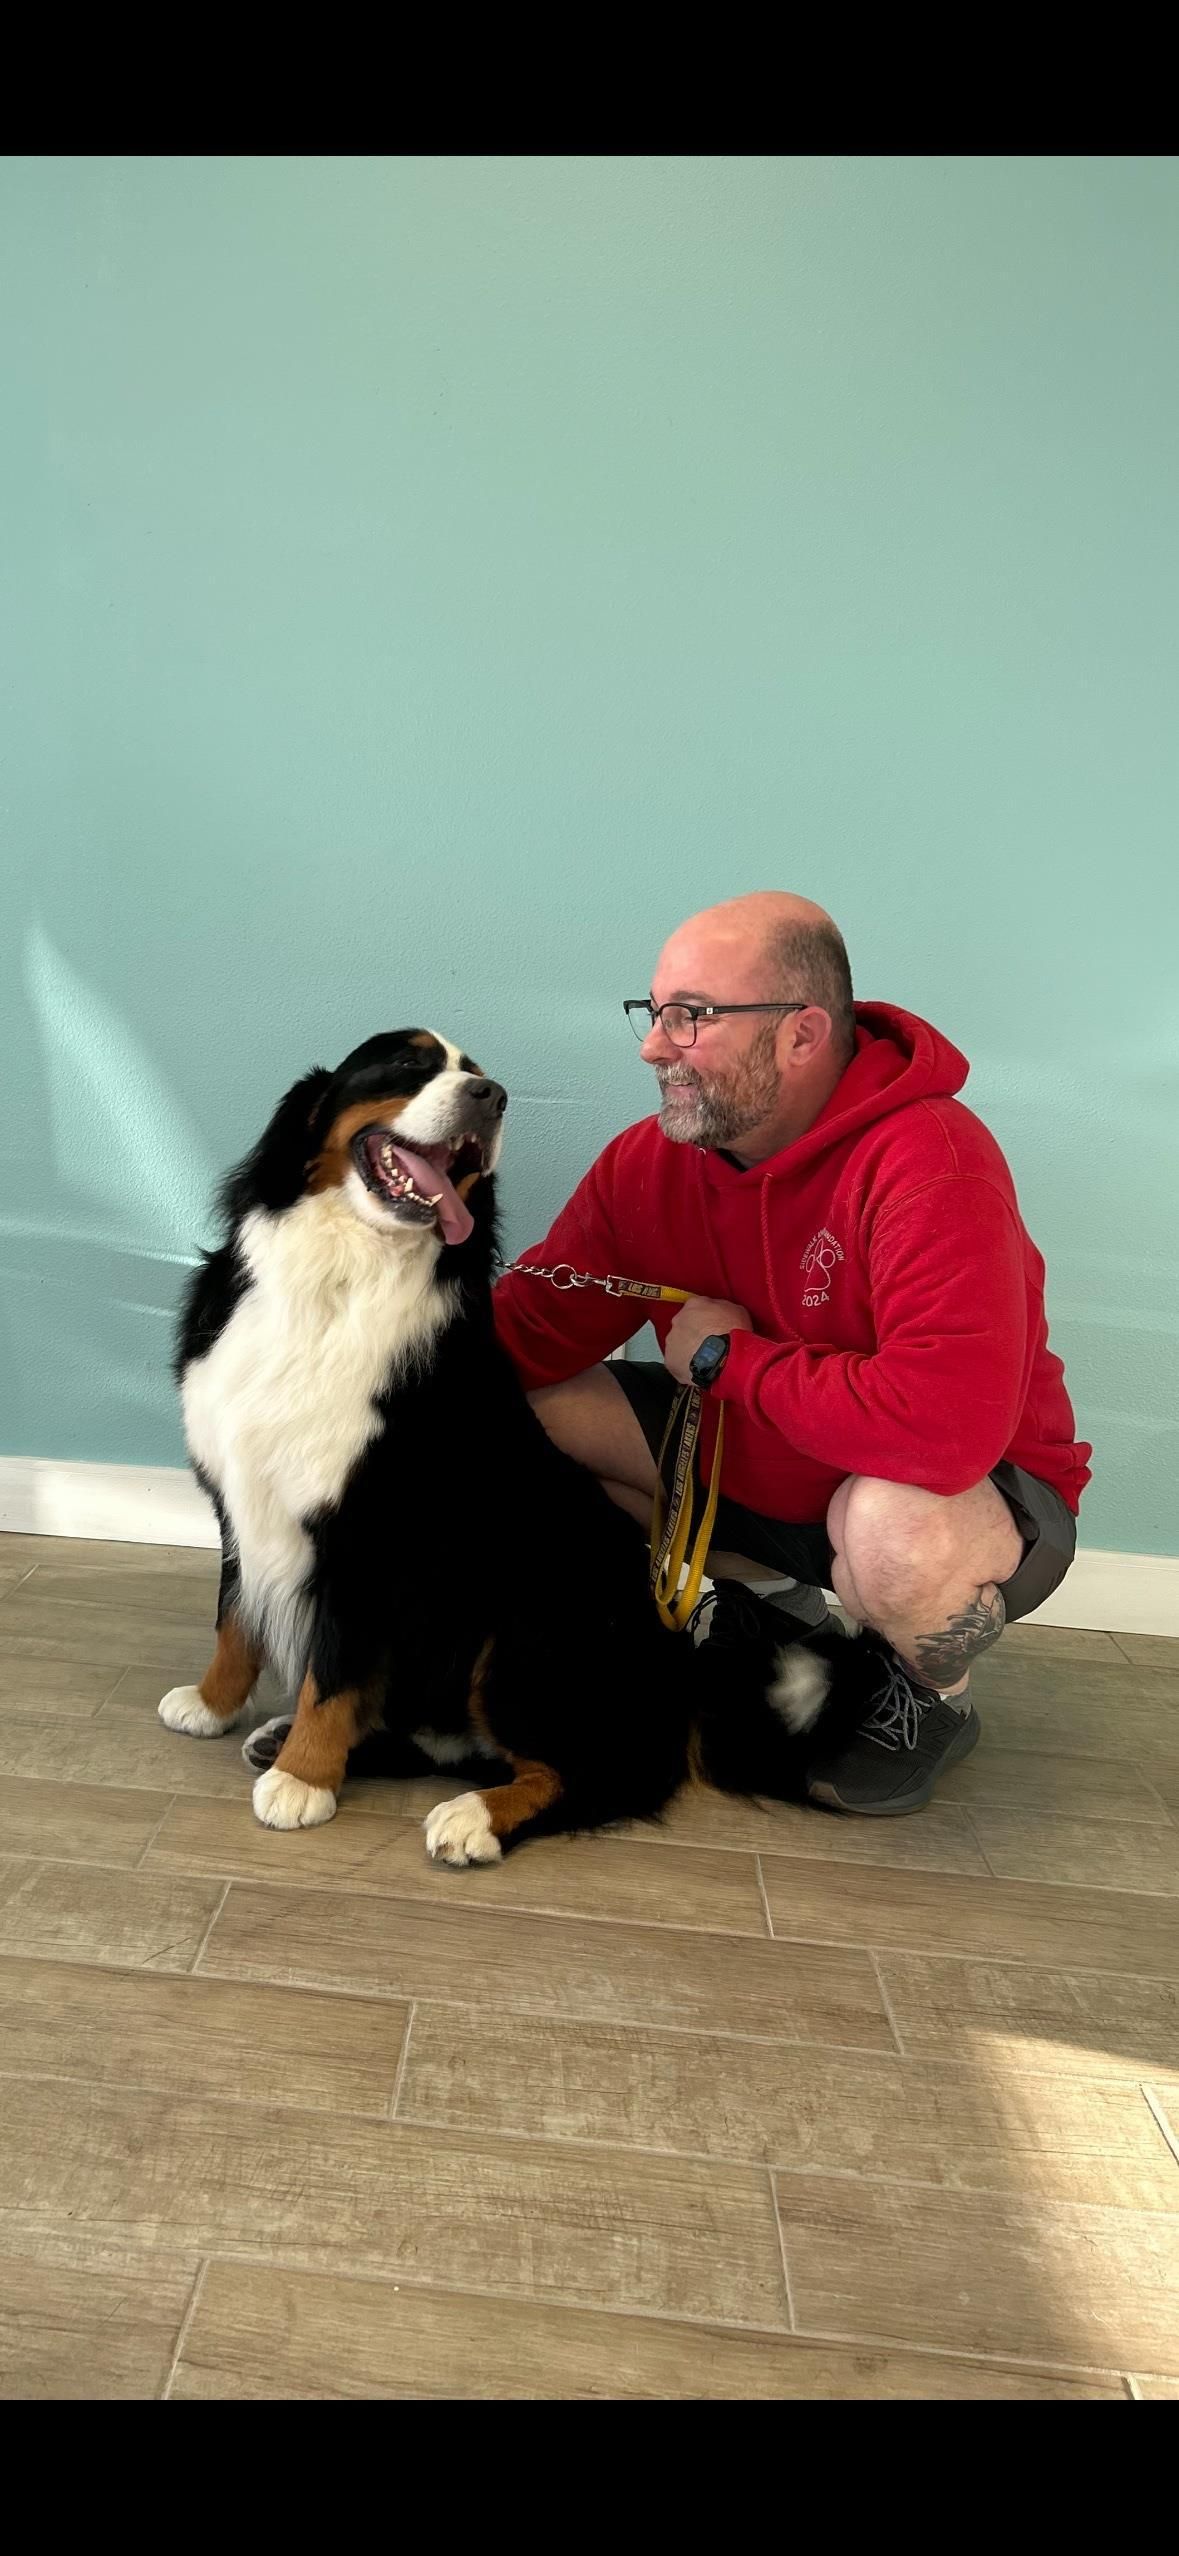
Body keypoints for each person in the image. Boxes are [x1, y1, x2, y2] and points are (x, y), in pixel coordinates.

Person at [492, 892, 1091, 1816]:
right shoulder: (645, 1166)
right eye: (652, 1015)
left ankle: (930, 1699)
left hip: (957, 1494)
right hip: (754, 1468)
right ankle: (757, 1599)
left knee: (891, 1530)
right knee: (524, 1415)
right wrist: (358, 1358)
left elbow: (941, 1434)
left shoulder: (933, 1159)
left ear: (801, 1034)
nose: (654, 1047)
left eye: (690, 1017)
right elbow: (526, 1334)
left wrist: (727, 1362)